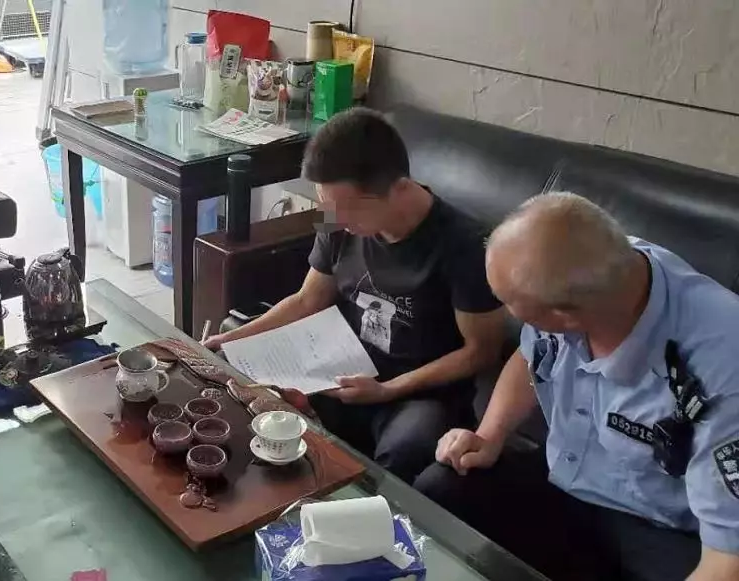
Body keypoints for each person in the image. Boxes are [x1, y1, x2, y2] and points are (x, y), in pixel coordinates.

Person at [414, 192, 739, 581]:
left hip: (662, 529)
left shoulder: (723, 369)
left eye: (512, 305)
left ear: (565, 317)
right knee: (441, 489)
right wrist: (490, 434)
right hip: (570, 480)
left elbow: (727, 561)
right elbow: (531, 355)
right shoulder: (592, 265)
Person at [205, 108, 506, 483]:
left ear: (399, 189)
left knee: (407, 448)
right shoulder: (335, 217)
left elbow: (481, 351)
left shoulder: (466, 246)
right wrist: (228, 340)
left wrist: (386, 390)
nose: (337, 221)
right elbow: (308, 299)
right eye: (326, 204)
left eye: (349, 210)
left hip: (419, 392)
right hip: (339, 369)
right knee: (239, 393)